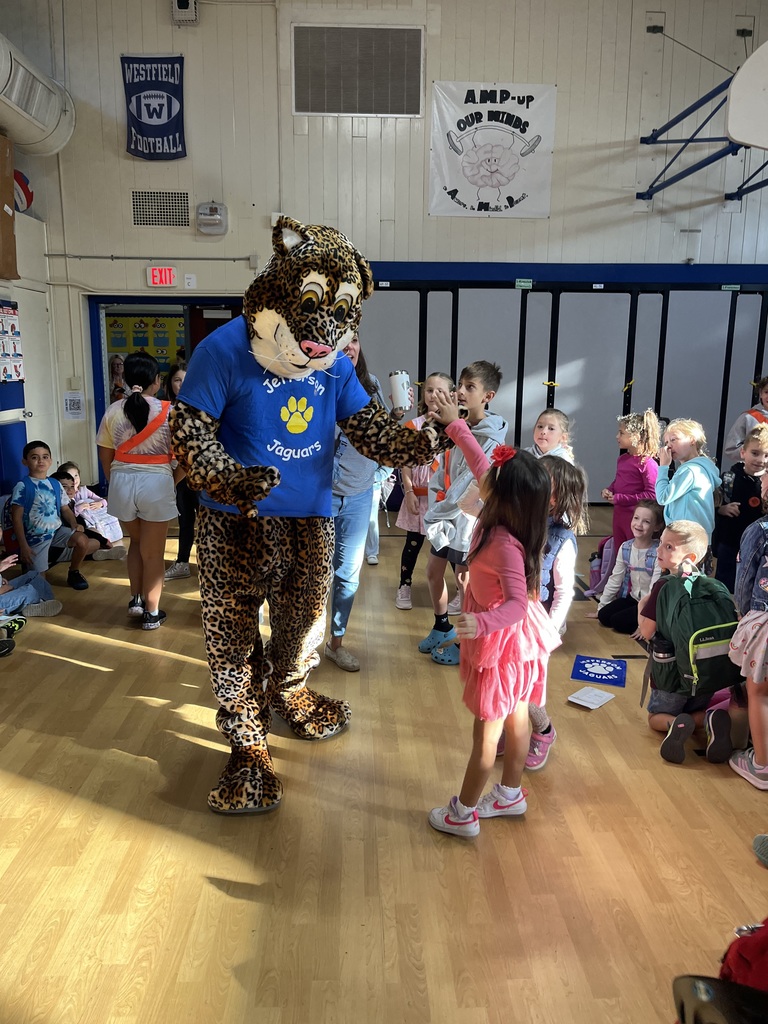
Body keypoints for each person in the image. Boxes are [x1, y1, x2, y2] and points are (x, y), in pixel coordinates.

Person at [426, 389, 560, 838]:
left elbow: (518, 605)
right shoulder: (504, 513)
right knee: (517, 715)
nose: (480, 476)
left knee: (486, 735)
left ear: (499, 495)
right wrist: (454, 424)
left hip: (503, 640)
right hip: (516, 641)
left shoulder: (504, 542)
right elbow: (483, 464)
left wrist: (479, 619)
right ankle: (510, 795)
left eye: (489, 477)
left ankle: (462, 814)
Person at [420, 361, 508, 666]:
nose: (460, 392)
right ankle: (442, 626)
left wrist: (439, 509)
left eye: (470, 387)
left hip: (467, 520)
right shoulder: (455, 425)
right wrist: (435, 504)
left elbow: (471, 483)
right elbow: (441, 468)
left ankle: (467, 641)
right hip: (445, 516)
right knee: (433, 572)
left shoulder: (492, 436)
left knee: (465, 580)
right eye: (460, 385)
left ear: (488, 396)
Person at [636, 520, 736, 763]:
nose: (660, 550)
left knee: (655, 717)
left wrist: (642, 605)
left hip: (671, 677)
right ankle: (708, 719)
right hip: (706, 676)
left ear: (689, 556)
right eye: (660, 543)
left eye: (669, 547)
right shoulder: (713, 586)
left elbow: (647, 632)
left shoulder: (664, 586)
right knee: (693, 707)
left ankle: (677, 724)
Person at [96, 352, 180, 629]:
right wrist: (172, 480)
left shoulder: (112, 411)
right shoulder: (170, 412)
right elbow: (189, 458)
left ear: (126, 379)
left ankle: (135, 600)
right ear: (157, 382)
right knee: (154, 553)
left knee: (135, 542)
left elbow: (105, 455)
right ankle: (152, 613)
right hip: (156, 483)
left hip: (121, 482)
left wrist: (116, 483)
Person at [325, 336, 394, 672]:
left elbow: (383, 436)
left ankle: (335, 643)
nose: (348, 346)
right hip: (318, 495)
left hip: (358, 494)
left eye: (353, 339)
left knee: (348, 576)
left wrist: (379, 474)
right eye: (340, 340)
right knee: (310, 575)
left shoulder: (371, 386)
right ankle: (301, 646)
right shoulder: (312, 384)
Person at [394, 372, 455, 611]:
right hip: (418, 497)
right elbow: (406, 463)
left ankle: (460, 590)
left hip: (444, 500)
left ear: (451, 395)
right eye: (429, 390)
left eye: (440, 391)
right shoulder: (413, 426)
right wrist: (408, 492)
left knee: (447, 545)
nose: (434, 395)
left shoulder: (455, 428)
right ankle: (404, 584)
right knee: (413, 543)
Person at [10, 440, 100, 590]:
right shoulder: (23, 486)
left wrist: (74, 524)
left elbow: (65, 509)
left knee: (82, 541)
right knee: (40, 586)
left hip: (57, 531)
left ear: (51, 461)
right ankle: (32, 569)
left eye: (45, 457)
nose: (41, 461)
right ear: (25, 462)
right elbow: (16, 518)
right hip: (36, 537)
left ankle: (74, 571)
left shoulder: (54, 483)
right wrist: (23, 546)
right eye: (34, 457)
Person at [727, 514, 768, 789]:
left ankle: (762, 766)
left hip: (765, 618)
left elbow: (743, 582)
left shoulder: (760, 529)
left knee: (759, 692)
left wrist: (744, 615)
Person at [593, 501, 663, 635]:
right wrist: (602, 606)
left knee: (618, 622)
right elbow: (615, 579)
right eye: (636, 518)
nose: (639, 524)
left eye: (646, 521)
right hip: (634, 599)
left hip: (650, 604)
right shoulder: (626, 547)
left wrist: (644, 624)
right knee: (603, 616)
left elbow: (653, 590)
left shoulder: (658, 552)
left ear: (657, 526)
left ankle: (657, 623)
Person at [714, 424, 768, 592]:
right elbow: (713, 505)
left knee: (751, 588)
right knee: (724, 586)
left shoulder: (766, 483)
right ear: (743, 452)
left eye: (766, 455)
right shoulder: (729, 478)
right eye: (755, 453)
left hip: (758, 549)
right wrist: (721, 509)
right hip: (730, 544)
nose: (760, 460)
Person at [601, 409, 660, 553]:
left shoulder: (648, 464)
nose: (617, 436)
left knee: (635, 552)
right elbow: (619, 481)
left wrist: (620, 498)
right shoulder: (623, 459)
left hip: (636, 518)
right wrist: (610, 490)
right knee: (620, 551)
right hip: (619, 514)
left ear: (636, 437)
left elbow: (652, 495)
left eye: (621, 433)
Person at [161, 362, 200, 581]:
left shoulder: (201, 407)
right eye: (177, 380)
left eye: (186, 380)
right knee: (185, 520)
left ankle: (209, 565)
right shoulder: (163, 410)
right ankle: (182, 562)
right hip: (174, 471)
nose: (182, 384)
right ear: (169, 384)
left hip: (198, 473)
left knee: (207, 522)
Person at [655, 419, 720, 539]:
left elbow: (662, 497)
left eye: (674, 440)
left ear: (692, 440)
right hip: (697, 536)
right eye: (666, 442)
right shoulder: (701, 467)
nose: (669, 446)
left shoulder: (690, 471)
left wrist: (663, 467)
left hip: (685, 537)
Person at [55, 461, 126, 559]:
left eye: (76, 476)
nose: (70, 489)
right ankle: (94, 554)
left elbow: (103, 501)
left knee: (94, 539)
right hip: (71, 537)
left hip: (82, 530)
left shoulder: (81, 492)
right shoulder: (62, 504)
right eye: (64, 487)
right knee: (86, 540)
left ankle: (99, 552)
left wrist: (100, 504)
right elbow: (74, 525)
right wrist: (103, 540)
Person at [724, 374, 768, 462]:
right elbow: (730, 449)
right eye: (767, 392)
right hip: (754, 471)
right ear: (760, 393)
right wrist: (753, 452)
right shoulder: (749, 418)